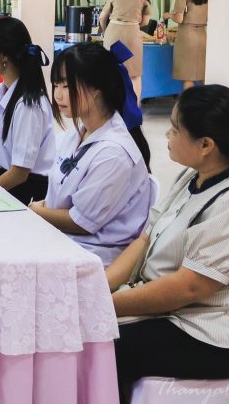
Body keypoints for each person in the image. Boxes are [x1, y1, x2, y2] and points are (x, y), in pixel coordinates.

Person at [107, 85, 229, 401]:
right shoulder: (193, 177)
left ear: (206, 145)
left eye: (175, 129)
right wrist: (100, 286)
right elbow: (146, 238)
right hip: (172, 312)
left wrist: (106, 304)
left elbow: (189, 287)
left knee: (101, 345)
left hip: (209, 335)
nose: (167, 134)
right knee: (88, 329)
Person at [30, 42, 155, 265]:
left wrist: (35, 211)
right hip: (65, 239)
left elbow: (82, 222)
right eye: (56, 85)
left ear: (97, 88)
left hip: (94, 255)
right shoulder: (76, 134)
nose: (58, 95)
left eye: (67, 86)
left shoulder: (114, 153)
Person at [0, 17, 55, 203]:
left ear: (3, 56)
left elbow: (19, 173)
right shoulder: (0, 93)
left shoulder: (28, 105)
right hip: (6, 177)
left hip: (26, 187)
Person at [99, 0, 151, 101]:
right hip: (133, 34)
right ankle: (135, 106)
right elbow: (145, 22)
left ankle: (111, 105)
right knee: (135, 74)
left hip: (113, 33)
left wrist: (105, 32)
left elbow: (102, 17)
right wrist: (133, 24)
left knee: (111, 71)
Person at [161, 0, 208, 90]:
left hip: (187, 36)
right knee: (202, 74)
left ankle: (189, 102)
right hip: (203, 35)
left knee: (188, 76)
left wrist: (168, 15)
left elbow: (179, 19)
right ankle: (209, 100)